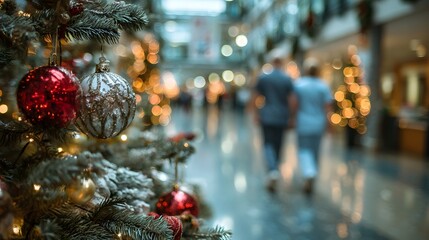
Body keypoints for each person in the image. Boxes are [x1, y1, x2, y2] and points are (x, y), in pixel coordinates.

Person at [250, 56, 297, 192]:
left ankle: (272, 169)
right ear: (281, 62)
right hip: (282, 116)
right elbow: (292, 99)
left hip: (267, 115)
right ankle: (275, 167)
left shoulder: (264, 77)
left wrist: (256, 114)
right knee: (279, 143)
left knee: (268, 143)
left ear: (271, 62)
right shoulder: (287, 78)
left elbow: (255, 96)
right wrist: (292, 116)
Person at [294, 57, 333, 195]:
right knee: (315, 151)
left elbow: (294, 104)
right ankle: (311, 173)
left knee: (304, 149)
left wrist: (292, 119)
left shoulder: (299, 85)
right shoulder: (323, 86)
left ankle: (308, 172)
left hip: (303, 122)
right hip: (318, 122)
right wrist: (329, 124)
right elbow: (327, 107)